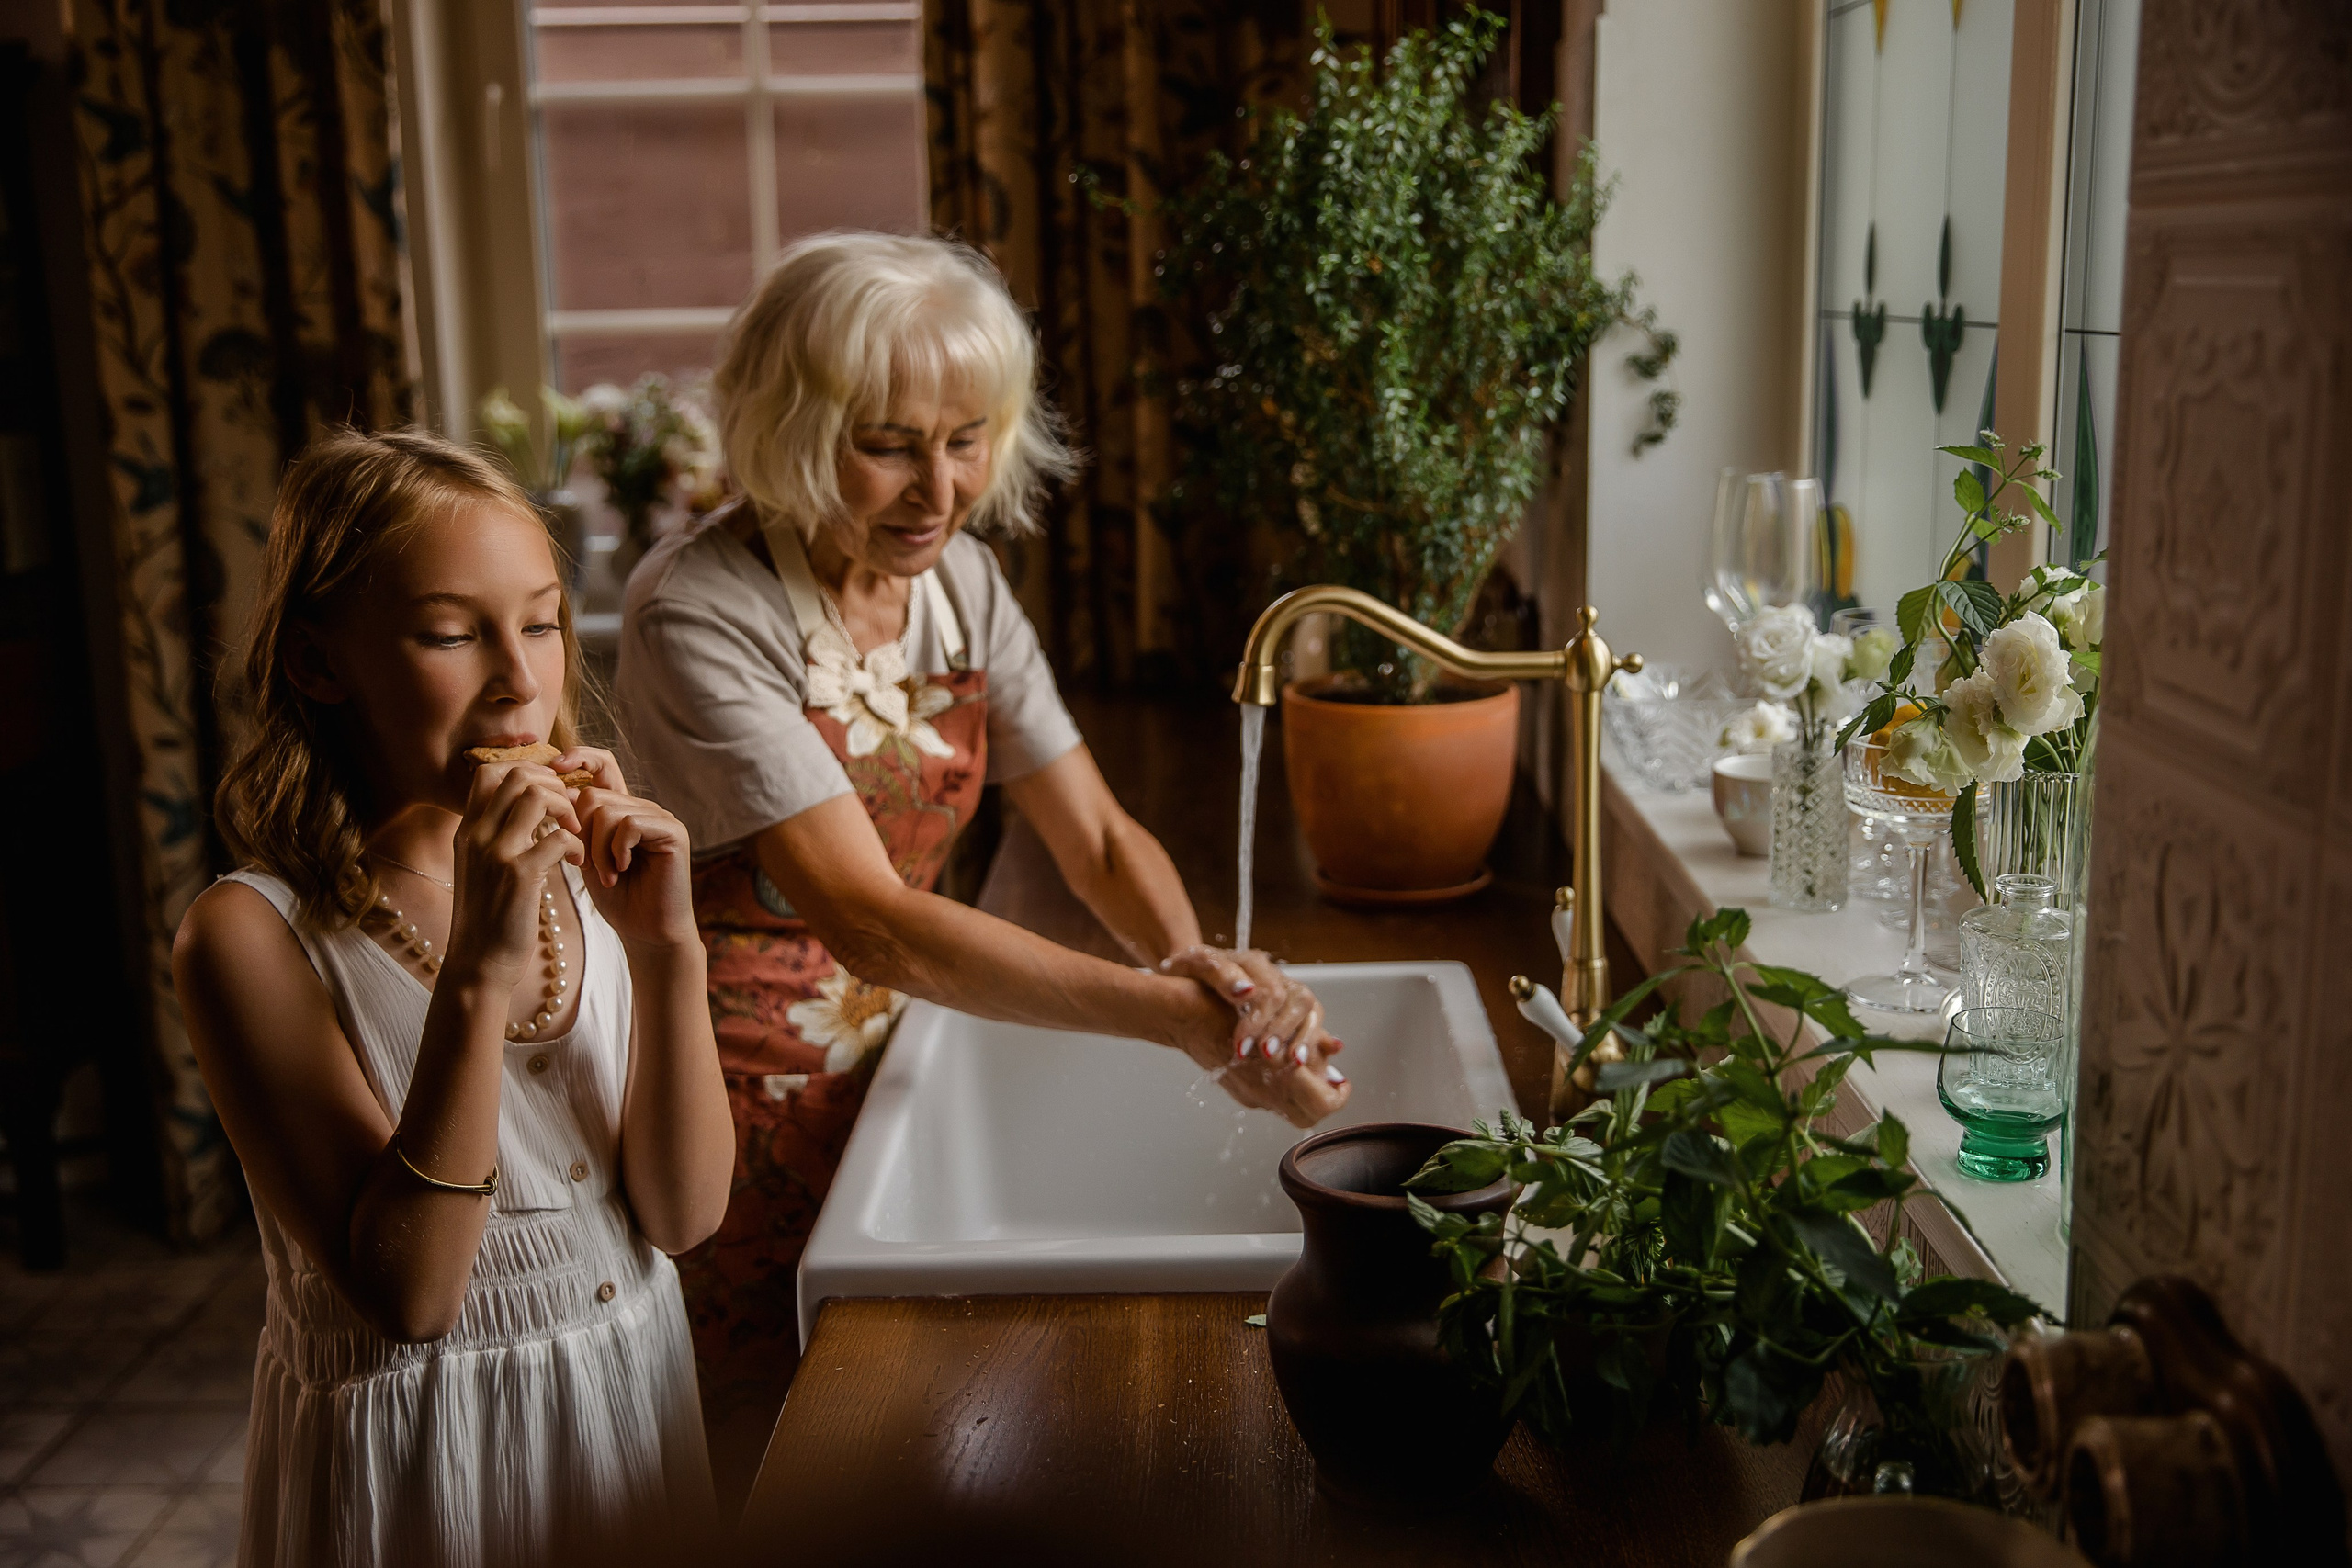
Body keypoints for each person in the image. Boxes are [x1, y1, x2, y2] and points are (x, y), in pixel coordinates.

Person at [616, 232, 1351, 1468]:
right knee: (765, 1457)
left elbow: (1101, 832)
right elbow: (872, 918)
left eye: (967, 439)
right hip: (731, 1099)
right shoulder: (700, 609)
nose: (939, 490)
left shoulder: (962, 585)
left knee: (885, 1448)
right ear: (792, 426)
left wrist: (1199, 963)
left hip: (900, 1054)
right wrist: (1174, 1016)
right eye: (890, 443)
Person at [174, 429, 732, 1566]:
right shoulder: (248, 938)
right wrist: (478, 962)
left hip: (629, 1410)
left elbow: (683, 1218)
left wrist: (669, 955)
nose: (521, 682)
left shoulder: (593, 881)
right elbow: (414, 1295)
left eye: (539, 622)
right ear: (319, 665)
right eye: (448, 633)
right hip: (427, 1465)